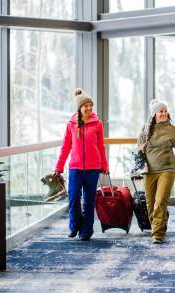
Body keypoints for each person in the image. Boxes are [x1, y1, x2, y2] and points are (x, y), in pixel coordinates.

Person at [54, 88, 109, 241]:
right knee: (73, 198)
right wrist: (59, 167)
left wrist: (105, 166)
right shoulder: (71, 124)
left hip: (93, 168)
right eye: (86, 106)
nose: (89, 108)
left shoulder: (97, 123)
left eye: (91, 105)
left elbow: (101, 146)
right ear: (80, 107)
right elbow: (65, 147)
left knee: (89, 200)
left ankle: (86, 231)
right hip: (75, 168)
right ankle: (74, 226)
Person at [137, 99, 175, 244]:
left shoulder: (172, 129)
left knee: (160, 202)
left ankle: (157, 234)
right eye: (161, 111)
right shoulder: (145, 129)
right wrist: (137, 168)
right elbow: (139, 150)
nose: (164, 113)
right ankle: (159, 224)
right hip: (149, 171)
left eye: (165, 111)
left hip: (167, 169)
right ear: (154, 114)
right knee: (150, 203)